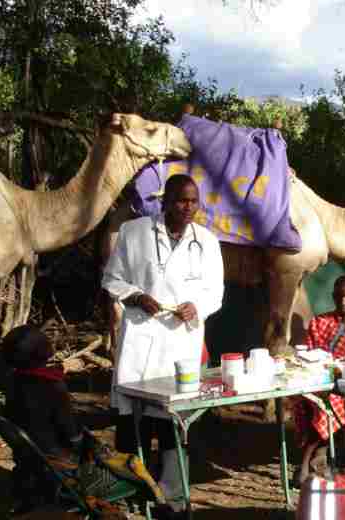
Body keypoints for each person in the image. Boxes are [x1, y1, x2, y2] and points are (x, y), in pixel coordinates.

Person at [102, 174, 224, 518]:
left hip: (180, 341)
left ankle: (172, 496)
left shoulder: (208, 241)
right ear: (165, 202)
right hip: (140, 339)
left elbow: (215, 292)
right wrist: (137, 296)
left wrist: (196, 306)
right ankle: (127, 492)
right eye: (181, 201)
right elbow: (111, 279)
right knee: (131, 423)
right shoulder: (135, 232)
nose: (188, 208)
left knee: (172, 422)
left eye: (194, 202)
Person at [292, 275, 345, 485]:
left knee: (329, 405)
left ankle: (306, 461)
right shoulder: (319, 322)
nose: (342, 302)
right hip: (319, 382)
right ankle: (321, 455)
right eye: (338, 297)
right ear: (332, 297)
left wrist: (343, 368)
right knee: (313, 401)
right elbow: (310, 356)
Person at [1, 325, 83, 513]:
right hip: (54, 456)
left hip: (25, 453)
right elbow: (69, 429)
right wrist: (80, 442)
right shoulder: (53, 386)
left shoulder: (13, 380)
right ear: (44, 350)